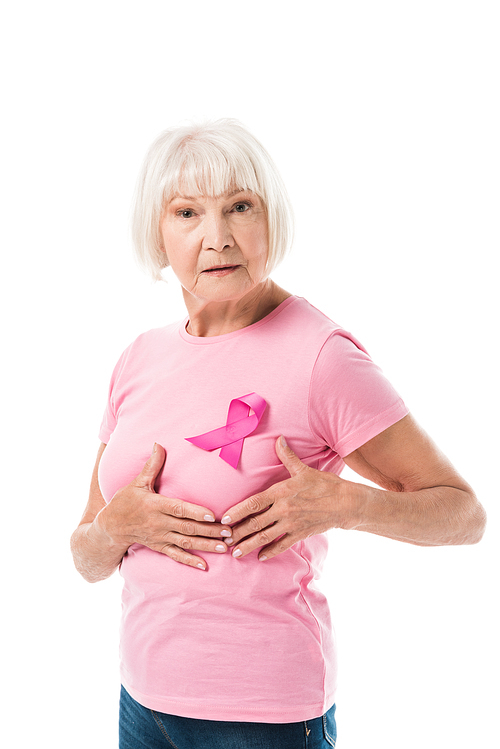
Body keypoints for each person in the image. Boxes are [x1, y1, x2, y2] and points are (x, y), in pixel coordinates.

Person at [70, 118, 486, 749]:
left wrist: (349, 504)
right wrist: (113, 531)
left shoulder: (322, 356)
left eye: (240, 207)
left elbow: (465, 516)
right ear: (156, 233)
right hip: (142, 701)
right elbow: (85, 556)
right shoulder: (138, 358)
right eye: (187, 213)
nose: (217, 238)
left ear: (271, 221)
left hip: (262, 718)